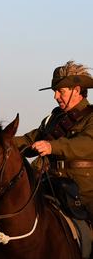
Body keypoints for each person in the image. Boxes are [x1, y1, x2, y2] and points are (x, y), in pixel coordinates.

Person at [13, 61, 93, 216]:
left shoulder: (90, 117)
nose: (55, 96)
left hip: (85, 191)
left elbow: (87, 143)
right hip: (50, 184)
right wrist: (2, 141)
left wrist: (52, 147)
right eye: (55, 91)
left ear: (76, 90)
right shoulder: (54, 119)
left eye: (60, 91)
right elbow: (31, 140)